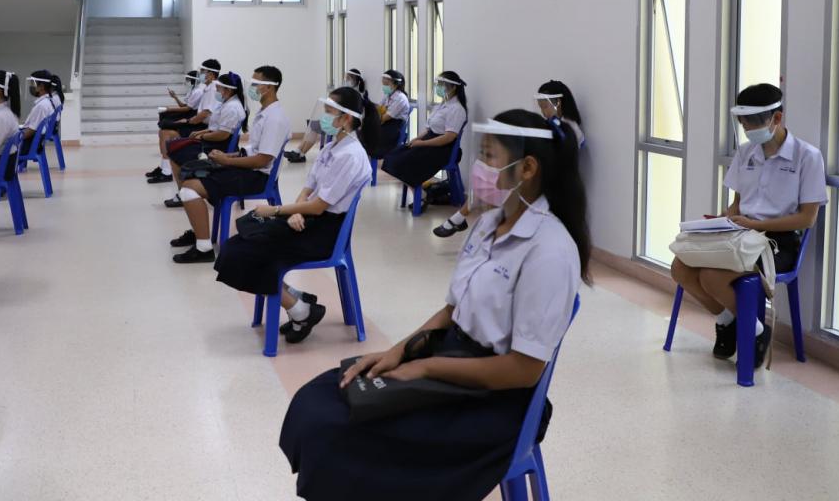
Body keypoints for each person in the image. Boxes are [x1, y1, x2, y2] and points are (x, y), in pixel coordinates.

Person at [279, 111, 590, 501]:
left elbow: (523, 370)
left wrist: (424, 367)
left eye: (489, 156)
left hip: (495, 399)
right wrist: (398, 352)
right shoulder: (489, 224)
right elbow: (451, 311)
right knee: (318, 400)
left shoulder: (550, 251)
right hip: (452, 357)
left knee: (341, 433)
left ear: (527, 168)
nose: (478, 167)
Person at [670, 83, 826, 368]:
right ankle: (736, 323)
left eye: (753, 123)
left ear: (776, 118)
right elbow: (737, 203)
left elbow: (807, 218)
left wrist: (754, 223)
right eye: (743, 124)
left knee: (712, 277)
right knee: (681, 267)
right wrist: (722, 222)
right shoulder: (745, 153)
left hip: (778, 242)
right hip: (741, 234)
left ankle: (750, 330)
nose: (748, 130)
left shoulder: (808, 157)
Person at [214, 86, 379, 340]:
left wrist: (277, 210)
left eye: (329, 111)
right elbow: (308, 190)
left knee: (240, 250)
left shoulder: (351, 155)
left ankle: (300, 309)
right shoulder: (331, 148)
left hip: (324, 233)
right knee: (243, 236)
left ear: (346, 118)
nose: (323, 117)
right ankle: (298, 303)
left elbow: (320, 206)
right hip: (308, 220)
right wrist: (295, 212)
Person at [170, 66, 293, 264]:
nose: (252, 87)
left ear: (269, 87)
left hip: (257, 177)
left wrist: (228, 161)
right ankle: (199, 232)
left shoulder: (275, 118)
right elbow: (254, 150)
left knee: (189, 190)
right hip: (249, 169)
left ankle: (203, 248)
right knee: (191, 175)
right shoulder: (265, 112)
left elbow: (262, 160)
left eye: (256, 83)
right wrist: (229, 155)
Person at [435, 78, 586, 238]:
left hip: (548, 178)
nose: (543, 112)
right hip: (536, 172)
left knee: (497, 182)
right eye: (540, 107)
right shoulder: (551, 125)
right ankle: (465, 220)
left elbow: (557, 158)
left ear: (558, 103)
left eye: (545, 107)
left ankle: (460, 219)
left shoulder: (568, 130)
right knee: (492, 178)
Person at [161, 71, 248, 206]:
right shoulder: (227, 102)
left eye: (219, 88)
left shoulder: (232, 107)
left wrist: (202, 136)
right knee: (175, 145)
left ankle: (184, 194)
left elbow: (222, 135)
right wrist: (200, 132)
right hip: (214, 141)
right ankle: (186, 190)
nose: (216, 91)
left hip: (218, 146)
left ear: (228, 90)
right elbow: (216, 127)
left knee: (175, 152)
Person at [380, 70, 468, 202]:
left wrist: (422, 143)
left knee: (405, 160)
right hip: (430, 141)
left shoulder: (457, 109)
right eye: (438, 84)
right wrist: (417, 139)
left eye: (442, 84)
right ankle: (420, 192)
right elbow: (429, 129)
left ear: (454, 87)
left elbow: (448, 137)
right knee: (394, 155)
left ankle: (420, 195)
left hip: (443, 149)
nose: (438, 87)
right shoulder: (442, 105)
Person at [148, 60, 222, 183]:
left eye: (202, 71)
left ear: (211, 74)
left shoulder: (213, 88)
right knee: (163, 130)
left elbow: (205, 113)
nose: (200, 74)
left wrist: (187, 121)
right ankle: (164, 167)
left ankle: (166, 172)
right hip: (199, 122)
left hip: (202, 126)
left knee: (166, 133)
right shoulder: (208, 88)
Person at [286, 69, 368, 164]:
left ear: (355, 79)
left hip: (342, 127)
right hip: (339, 126)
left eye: (348, 78)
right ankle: (299, 152)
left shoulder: (355, 96)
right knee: (313, 125)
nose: (345, 80)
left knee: (313, 126)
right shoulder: (347, 92)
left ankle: (300, 153)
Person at [373, 70, 411, 158]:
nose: (384, 86)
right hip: (385, 126)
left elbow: (384, 118)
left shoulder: (400, 98)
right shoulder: (388, 95)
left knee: (369, 137)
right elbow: (378, 108)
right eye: (383, 84)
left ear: (396, 84)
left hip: (393, 130)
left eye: (386, 84)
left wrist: (372, 119)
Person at [21, 70, 57, 150]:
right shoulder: (48, 101)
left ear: (41, 86)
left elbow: (31, 131)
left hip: (28, 145)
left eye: (33, 83)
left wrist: (15, 139)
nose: (31, 86)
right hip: (36, 143)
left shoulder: (41, 105)